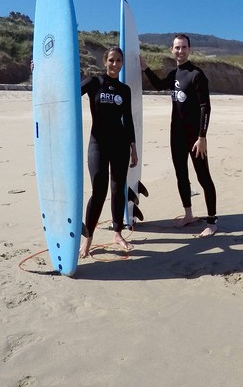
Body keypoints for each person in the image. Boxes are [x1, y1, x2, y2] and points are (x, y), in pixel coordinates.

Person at [142, 34, 218, 237]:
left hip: (195, 138)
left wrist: (202, 137)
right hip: (176, 135)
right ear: (171, 49)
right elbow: (158, 86)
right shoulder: (174, 74)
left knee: (203, 177)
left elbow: (205, 108)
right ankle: (188, 215)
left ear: (189, 50)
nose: (180, 51)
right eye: (177, 47)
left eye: (184, 47)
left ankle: (212, 221)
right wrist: (145, 68)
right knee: (181, 176)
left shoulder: (196, 75)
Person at [79, 46, 138, 257]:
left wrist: (133, 147)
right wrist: (39, 72)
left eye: (119, 61)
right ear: (105, 61)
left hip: (120, 144)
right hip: (98, 144)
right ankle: (88, 239)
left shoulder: (124, 89)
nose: (115, 64)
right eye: (111, 60)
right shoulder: (95, 82)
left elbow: (128, 120)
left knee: (117, 189)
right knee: (98, 191)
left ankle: (117, 233)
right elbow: (70, 93)